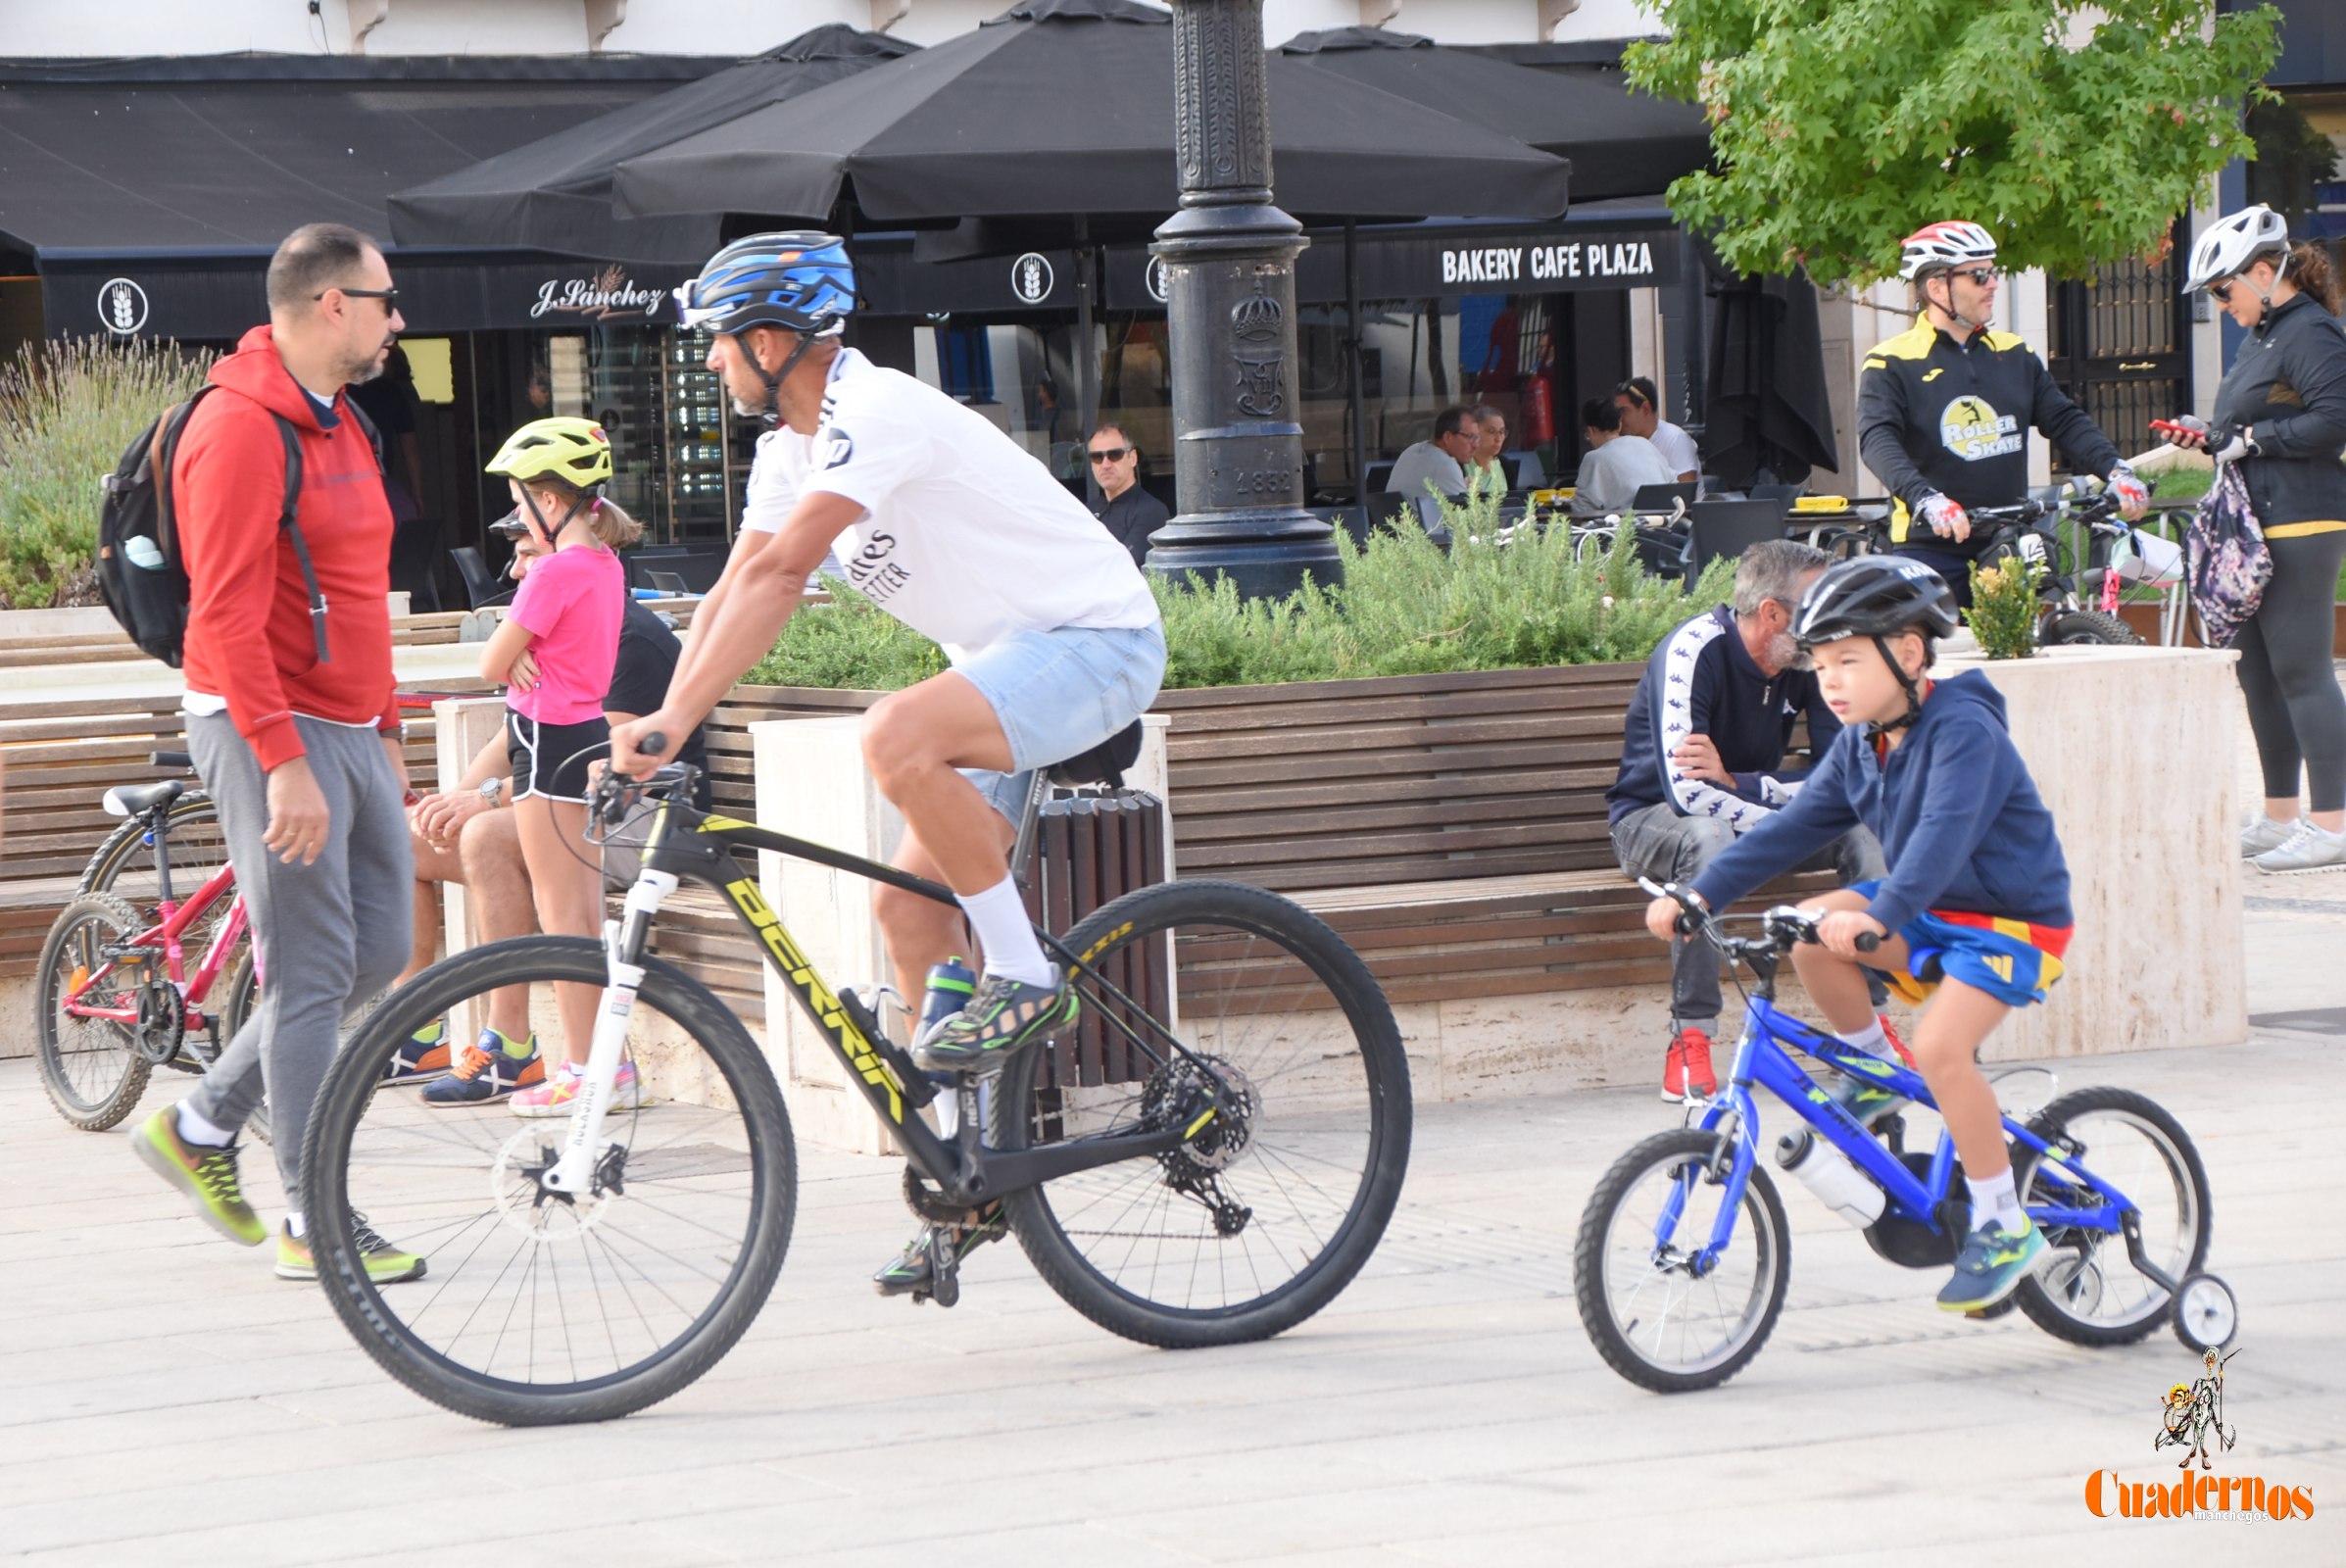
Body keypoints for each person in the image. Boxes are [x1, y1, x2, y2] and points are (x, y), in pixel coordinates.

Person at [606, 232, 1163, 1297]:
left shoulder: (878, 412)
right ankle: (967, 1172)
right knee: (910, 913)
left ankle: (1029, 976)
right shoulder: (788, 450)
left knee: (894, 734)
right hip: (1009, 667)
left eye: (719, 346)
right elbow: (736, 590)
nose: (710, 364)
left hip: (1097, 645)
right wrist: (667, 716)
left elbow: (783, 574)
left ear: (771, 341)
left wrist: (677, 723)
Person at [1649, 556, 2075, 1314]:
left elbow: (1942, 840)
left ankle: (2005, 1225)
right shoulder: (1861, 743)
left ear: (1909, 654)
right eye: (1819, 664)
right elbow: (1794, 829)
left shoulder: (1963, 729)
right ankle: (1875, 1067)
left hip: (2011, 921)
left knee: (1944, 1050)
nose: (1830, 681)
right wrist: (1699, 890)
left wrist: (1877, 917)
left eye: (1848, 660)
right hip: (1929, 907)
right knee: (1810, 929)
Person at [127, 221, 424, 1285]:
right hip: (269, 730)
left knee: (380, 951)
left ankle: (203, 1123)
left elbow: (360, 591)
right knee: (306, 973)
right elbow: (226, 617)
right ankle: (314, 1217)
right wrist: (283, 758)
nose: (400, 318)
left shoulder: (342, 419)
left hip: (348, 726)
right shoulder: (240, 429)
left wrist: (385, 727)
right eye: (387, 300)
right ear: (331, 304)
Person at [388, 526, 712, 1090]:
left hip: (636, 818)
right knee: (411, 835)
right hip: (567, 802)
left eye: (527, 557)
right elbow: (517, 732)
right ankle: (412, 1033)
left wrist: (483, 801)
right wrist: (452, 802)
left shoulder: (625, 635)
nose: (515, 573)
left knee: (488, 837)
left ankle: (509, 1045)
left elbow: (592, 756)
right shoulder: (553, 626)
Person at [1607, 540, 1896, 1102]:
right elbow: (1688, 793)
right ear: (1772, 613)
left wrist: (1745, 784)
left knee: (1859, 831)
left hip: (1745, 816)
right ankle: (1690, 1034)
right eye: (1819, 606)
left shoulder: (1813, 658)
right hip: (1652, 823)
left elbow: (1850, 781)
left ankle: (1870, 1032)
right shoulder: (1694, 650)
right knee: (1709, 835)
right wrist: (1784, 809)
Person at [456, 416, 644, 1115]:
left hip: (547, 743)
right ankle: (606, 1065)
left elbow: (486, 662)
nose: (515, 513)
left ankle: (586, 1068)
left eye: (519, 498)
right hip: (584, 735)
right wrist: (522, 652)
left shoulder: (555, 570)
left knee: (564, 918)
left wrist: (514, 653)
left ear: (552, 500)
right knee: (578, 913)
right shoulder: (604, 565)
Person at [2171, 207, 2346, 874]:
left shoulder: (2312, 332)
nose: (2221, 305)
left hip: (2303, 516)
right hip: (2257, 518)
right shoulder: (2265, 335)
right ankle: (2281, 815)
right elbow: (2251, 427)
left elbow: (2335, 420)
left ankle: (2332, 823)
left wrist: (2255, 441)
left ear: (2265, 272)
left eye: (2223, 290)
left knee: (2301, 669)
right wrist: (2213, 440)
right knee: (2258, 672)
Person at [1859, 220, 2147, 607]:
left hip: (2007, 539)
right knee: (1935, 659)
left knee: (2023, 649)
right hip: (1931, 546)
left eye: (1992, 273)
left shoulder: (2013, 353)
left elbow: (2063, 420)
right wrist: (1926, 499)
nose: (1993, 283)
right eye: (1979, 276)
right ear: (1936, 287)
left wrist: (2116, 469)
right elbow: (1877, 440)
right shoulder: (1891, 361)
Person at [1571, 396, 1679, 518]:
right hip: (1667, 524)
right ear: (1619, 425)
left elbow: (1582, 510)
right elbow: (1673, 483)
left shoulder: (1594, 458)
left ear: (1591, 430)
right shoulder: (1645, 444)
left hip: (1626, 530)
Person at [1087, 420, 1169, 566]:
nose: (1105, 464)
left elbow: (1124, 566)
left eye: (1114, 454)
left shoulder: (1152, 511)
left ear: (1132, 458)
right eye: (1097, 457)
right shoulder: (1086, 512)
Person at [1385, 406, 1480, 502]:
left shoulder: (1412, 449)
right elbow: (1470, 514)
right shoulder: (1446, 465)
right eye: (1470, 437)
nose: (1475, 445)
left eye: (1476, 438)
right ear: (1448, 437)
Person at [1615, 376, 1698, 483]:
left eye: (1624, 411)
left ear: (1646, 409)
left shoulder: (1675, 439)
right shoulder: (1623, 443)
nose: (1619, 418)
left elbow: (1684, 492)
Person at [1467, 403, 1510, 497]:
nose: (1498, 439)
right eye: (1491, 431)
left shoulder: (1504, 464)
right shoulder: (1462, 464)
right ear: (1475, 431)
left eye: (1501, 432)